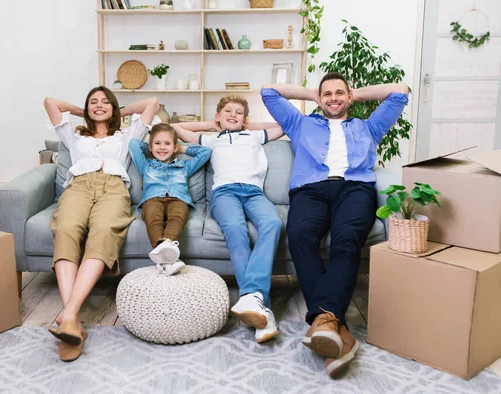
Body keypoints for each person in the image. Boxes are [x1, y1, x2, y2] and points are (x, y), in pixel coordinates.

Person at [261, 72, 409, 376]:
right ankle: (334, 325)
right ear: (319, 98)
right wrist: (312, 94)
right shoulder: (300, 124)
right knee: (299, 234)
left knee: (347, 238)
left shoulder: (368, 127)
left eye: (339, 93)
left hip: (355, 189)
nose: (333, 99)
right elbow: (268, 92)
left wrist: (354, 92)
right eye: (326, 94)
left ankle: (324, 321)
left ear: (349, 97)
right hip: (310, 190)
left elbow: (400, 91)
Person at [43, 87, 158, 361]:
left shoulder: (127, 135)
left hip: (113, 187)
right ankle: (72, 320)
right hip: (78, 187)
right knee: (66, 229)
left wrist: (118, 112)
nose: (99, 105)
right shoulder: (74, 136)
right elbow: (50, 101)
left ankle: (69, 315)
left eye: (105, 102)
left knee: (104, 231)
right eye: (93, 102)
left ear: (114, 107)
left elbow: (151, 103)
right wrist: (83, 112)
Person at [173, 94, 284, 343]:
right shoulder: (210, 140)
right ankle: (261, 305)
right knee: (235, 228)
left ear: (245, 119)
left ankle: (251, 298)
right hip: (224, 194)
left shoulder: (254, 136)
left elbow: (285, 125)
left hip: (254, 192)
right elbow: (174, 129)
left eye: (239, 113)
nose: (233, 115)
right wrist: (210, 125)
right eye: (227, 112)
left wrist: (250, 125)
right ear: (218, 116)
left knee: (273, 223)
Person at [128, 123, 211, 275]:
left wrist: (181, 148)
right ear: (151, 147)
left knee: (178, 216)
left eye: (167, 144)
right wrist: (150, 148)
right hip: (152, 199)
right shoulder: (146, 165)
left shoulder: (184, 166)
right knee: (153, 217)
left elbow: (206, 152)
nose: (162, 147)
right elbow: (133, 144)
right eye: (157, 143)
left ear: (174, 147)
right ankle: (168, 257)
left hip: (177, 199)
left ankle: (164, 253)